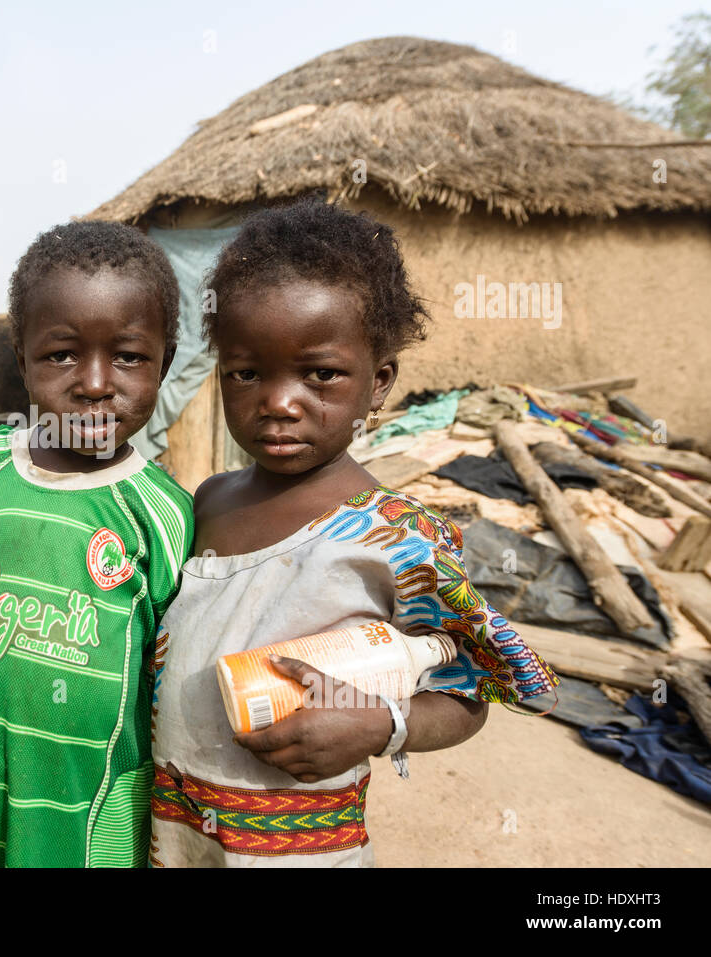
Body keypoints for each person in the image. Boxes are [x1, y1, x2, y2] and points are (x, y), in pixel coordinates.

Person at [149, 197, 558, 867]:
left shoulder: (398, 536)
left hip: (299, 848)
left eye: (321, 374)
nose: (279, 401)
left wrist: (380, 724)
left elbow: (467, 685)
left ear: (380, 383)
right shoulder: (209, 502)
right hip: (175, 833)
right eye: (246, 373)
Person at [0, 221, 195, 867]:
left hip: (90, 789)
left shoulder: (164, 513)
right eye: (61, 354)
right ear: (22, 358)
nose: (95, 382)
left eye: (128, 356)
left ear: (165, 361)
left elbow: (172, 678)